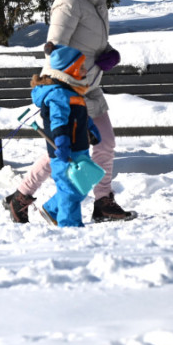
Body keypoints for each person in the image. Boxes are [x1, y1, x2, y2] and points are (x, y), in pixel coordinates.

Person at [3, 0, 137, 224]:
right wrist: (80, 72)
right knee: (64, 151)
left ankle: (102, 201)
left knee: (104, 143)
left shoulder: (97, 2)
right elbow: (55, 49)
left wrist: (107, 53)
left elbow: (93, 42)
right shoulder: (68, 2)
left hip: (90, 86)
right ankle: (23, 197)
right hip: (67, 88)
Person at [30, 44, 102, 227]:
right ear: (70, 70)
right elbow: (58, 121)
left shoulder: (72, 91)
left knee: (81, 185)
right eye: (81, 67)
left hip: (79, 148)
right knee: (70, 191)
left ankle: (52, 209)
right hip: (65, 150)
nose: (85, 70)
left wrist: (91, 129)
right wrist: (62, 143)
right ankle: (70, 228)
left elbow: (81, 117)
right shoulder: (58, 94)